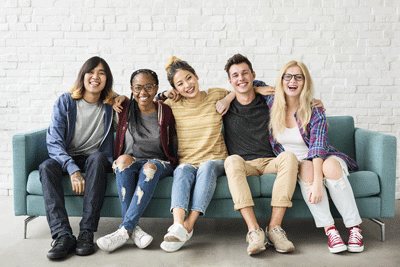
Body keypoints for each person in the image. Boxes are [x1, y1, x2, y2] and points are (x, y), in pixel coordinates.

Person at [268, 60, 363, 253]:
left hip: (324, 157)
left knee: (329, 167)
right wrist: (227, 100)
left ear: (305, 82)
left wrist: (319, 183)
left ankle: (354, 228)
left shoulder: (314, 109)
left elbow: (318, 148)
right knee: (304, 167)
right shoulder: (271, 104)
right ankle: (330, 230)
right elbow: (249, 84)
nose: (292, 80)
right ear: (281, 81)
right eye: (287, 76)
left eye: (298, 77)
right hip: (296, 164)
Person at [155, 56, 241, 253]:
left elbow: (243, 89)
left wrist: (228, 98)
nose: (187, 85)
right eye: (180, 84)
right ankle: (178, 225)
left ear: (197, 76)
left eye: (189, 78)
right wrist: (163, 94)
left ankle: (189, 226)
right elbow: (148, 103)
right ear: (175, 89)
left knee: (207, 166)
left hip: (217, 160)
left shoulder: (215, 94)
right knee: (182, 169)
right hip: (188, 161)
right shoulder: (173, 104)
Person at [221, 54, 299, 256]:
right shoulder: (225, 106)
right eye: (235, 75)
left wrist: (315, 102)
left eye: (245, 73)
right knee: (231, 161)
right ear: (230, 82)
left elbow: (297, 96)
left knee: (290, 157)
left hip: (271, 161)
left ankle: (274, 229)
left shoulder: (270, 100)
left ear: (253, 75)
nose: (241, 78)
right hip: (244, 164)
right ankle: (254, 231)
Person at [39, 56, 115, 259]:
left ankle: (86, 232)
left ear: (107, 79)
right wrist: (72, 168)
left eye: (102, 73)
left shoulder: (111, 105)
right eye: (91, 72)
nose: (95, 77)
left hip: (94, 160)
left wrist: (165, 94)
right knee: (46, 167)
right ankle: (63, 234)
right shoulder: (66, 101)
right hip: (67, 158)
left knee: (99, 158)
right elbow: (53, 142)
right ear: (83, 76)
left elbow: (143, 99)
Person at [96, 69, 178, 252]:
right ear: (132, 89)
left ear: (156, 88)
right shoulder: (124, 108)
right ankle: (133, 231)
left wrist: (163, 94)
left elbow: (172, 142)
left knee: (149, 166)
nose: (143, 92)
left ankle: (123, 230)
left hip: (159, 163)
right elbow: (101, 90)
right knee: (122, 160)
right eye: (138, 87)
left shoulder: (165, 110)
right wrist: (120, 96)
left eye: (148, 87)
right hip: (132, 160)